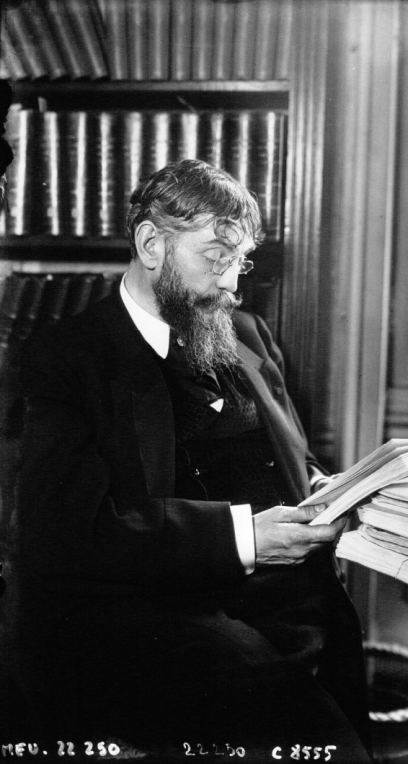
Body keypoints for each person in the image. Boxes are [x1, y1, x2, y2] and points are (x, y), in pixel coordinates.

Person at [12, 159, 370, 761]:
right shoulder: (61, 360)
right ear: (152, 243)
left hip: (287, 603)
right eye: (216, 256)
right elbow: (64, 532)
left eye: (242, 260)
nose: (233, 282)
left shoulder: (248, 334)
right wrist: (246, 538)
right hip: (150, 619)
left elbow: (290, 458)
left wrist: (327, 487)